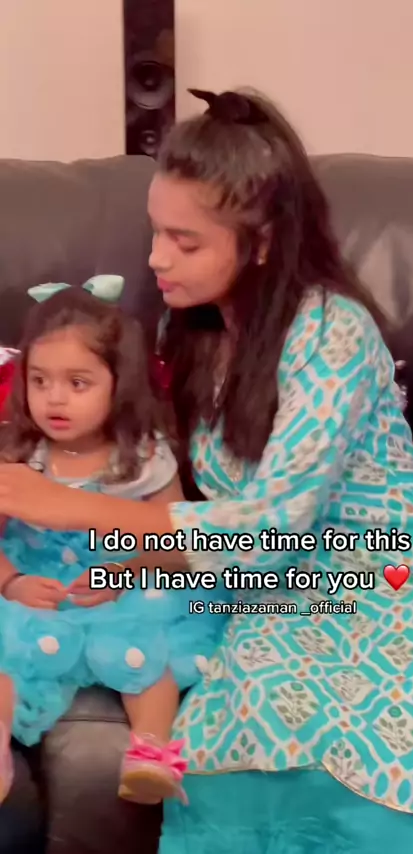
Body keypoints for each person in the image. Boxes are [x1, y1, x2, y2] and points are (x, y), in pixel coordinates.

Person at [0, 89, 413, 853]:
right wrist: (133, 563)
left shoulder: (332, 333)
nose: (156, 259)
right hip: (271, 583)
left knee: (355, 745)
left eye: (185, 242)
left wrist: (70, 506)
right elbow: (206, 514)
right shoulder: (194, 333)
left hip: (387, 572)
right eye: (156, 232)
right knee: (243, 727)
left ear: (261, 243)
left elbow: (270, 522)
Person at [0, 276, 228, 808]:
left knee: (152, 657)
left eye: (78, 383)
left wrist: (126, 574)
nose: (55, 398)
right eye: (39, 381)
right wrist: (11, 582)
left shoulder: (143, 457)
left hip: (124, 583)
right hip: (37, 583)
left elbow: (174, 541)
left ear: (118, 384)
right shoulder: (16, 453)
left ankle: (151, 754)